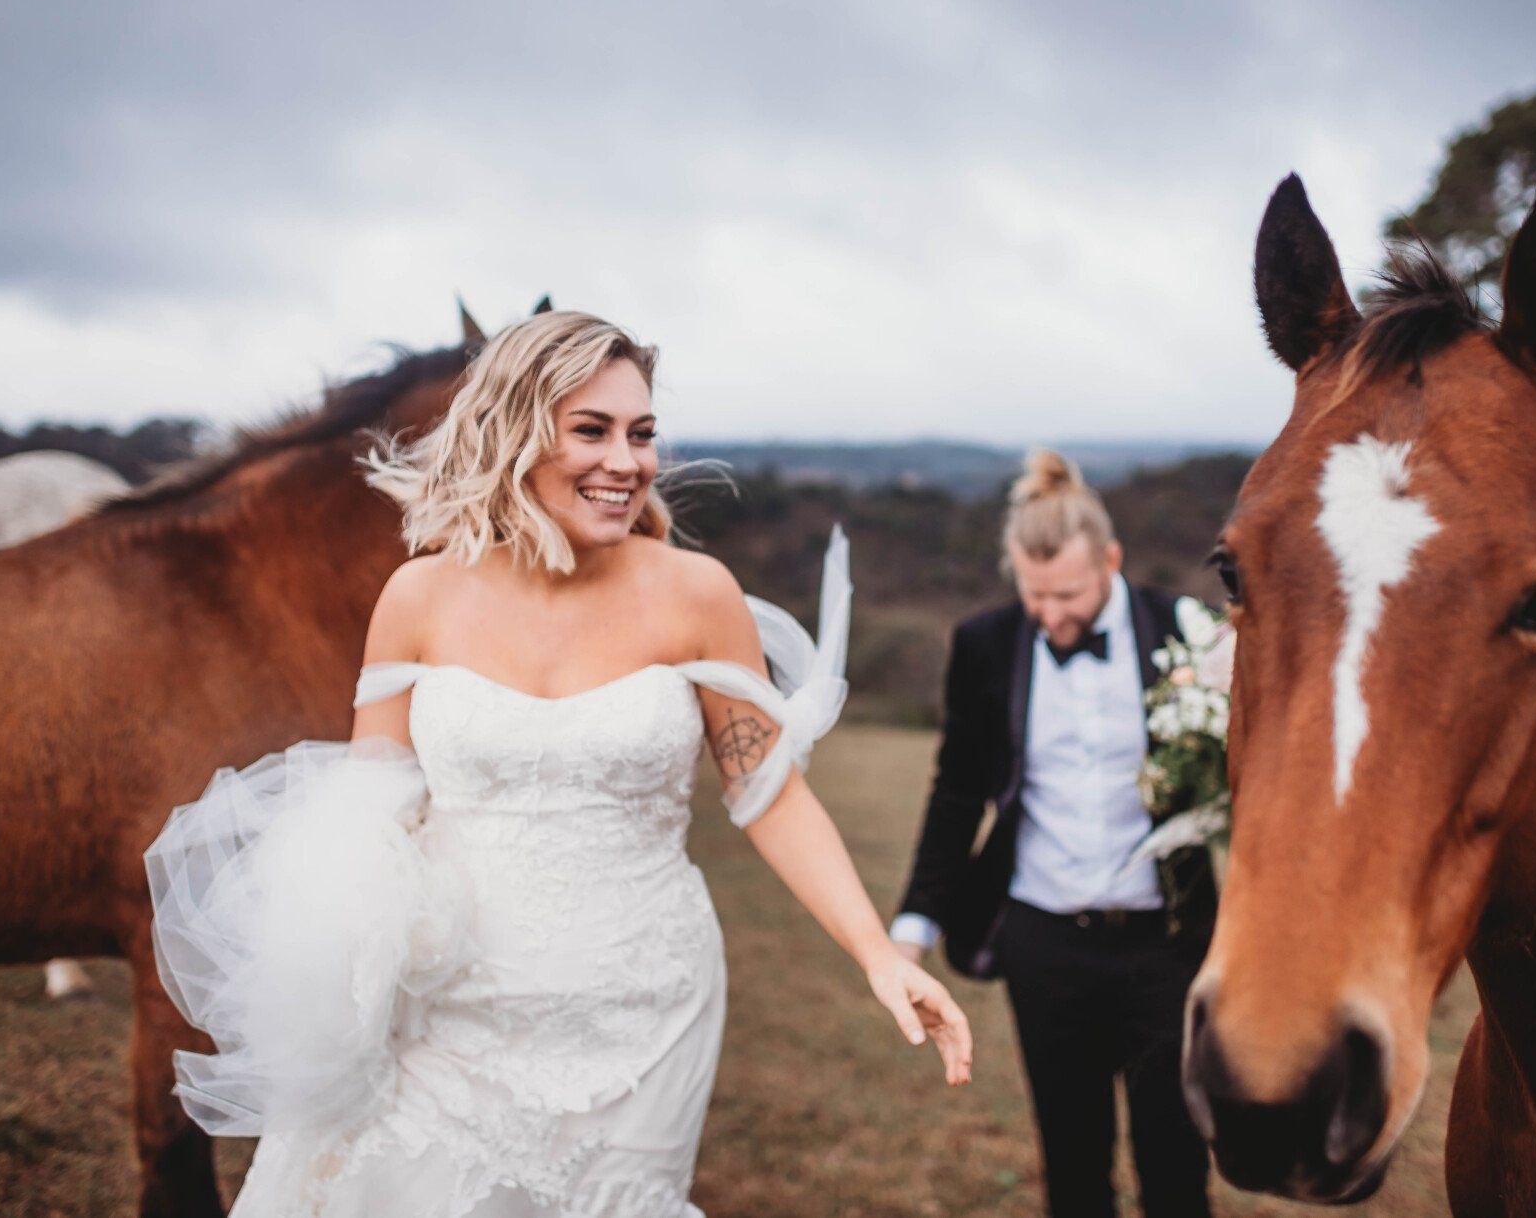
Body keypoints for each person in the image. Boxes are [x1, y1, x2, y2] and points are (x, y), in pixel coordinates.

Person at [146, 310, 972, 1217]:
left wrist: (876, 955)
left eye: (642, 433)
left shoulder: (697, 595)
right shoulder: (418, 597)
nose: (627, 461)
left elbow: (769, 791)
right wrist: (343, 975)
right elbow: (368, 808)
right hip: (451, 1002)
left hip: (644, 1005)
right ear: (514, 433)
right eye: (592, 430)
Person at [890, 449, 1215, 1217]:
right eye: (1033, 595)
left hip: (1166, 942)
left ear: (1111, 559)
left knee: (1175, 1165)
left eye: (1067, 593)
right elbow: (958, 790)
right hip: (1043, 943)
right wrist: (912, 928)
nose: (1051, 614)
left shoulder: (1184, 631)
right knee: (1071, 1165)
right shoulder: (985, 645)